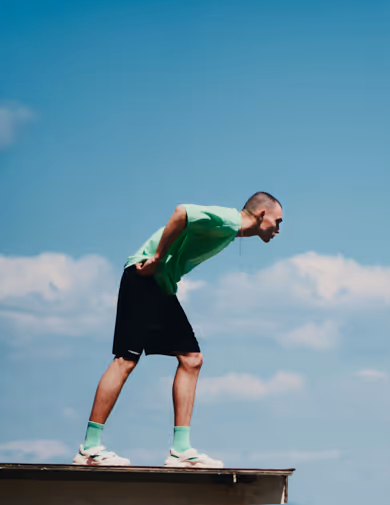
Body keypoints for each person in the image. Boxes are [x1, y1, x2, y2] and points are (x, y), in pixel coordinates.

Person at [74, 192, 283, 467]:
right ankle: (89, 449)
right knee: (126, 360)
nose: (278, 229)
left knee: (191, 359)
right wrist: (157, 258)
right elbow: (182, 212)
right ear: (261, 214)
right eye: (278, 221)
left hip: (159, 286)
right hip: (145, 278)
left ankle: (180, 450)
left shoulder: (230, 229)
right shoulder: (228, 220)